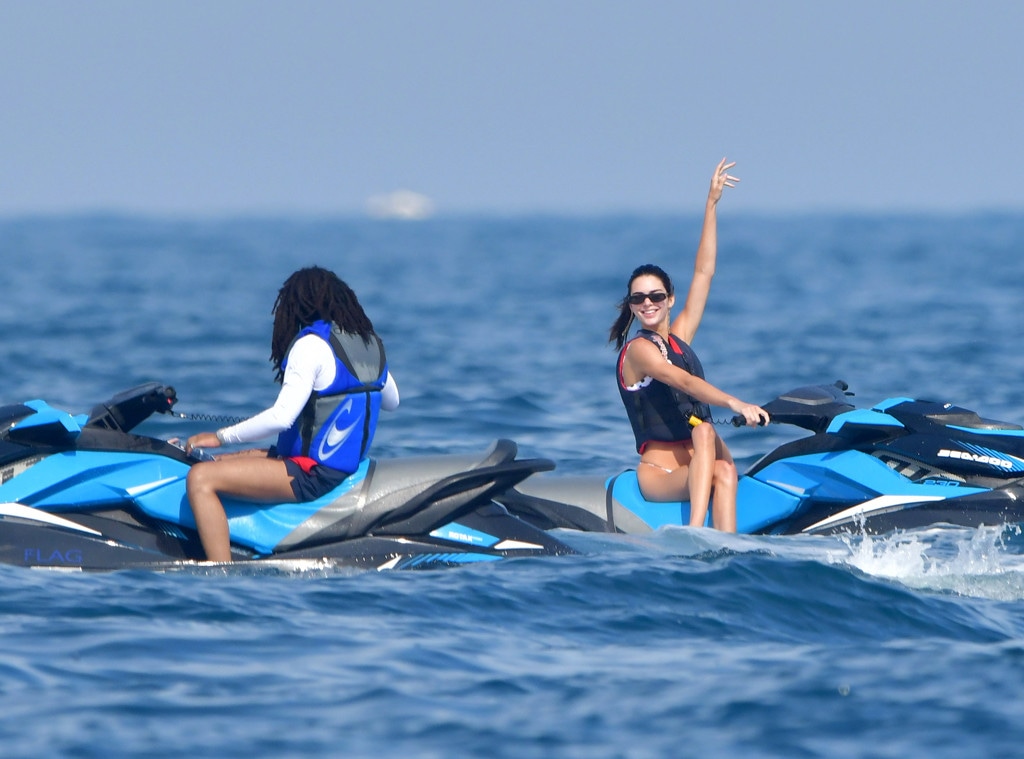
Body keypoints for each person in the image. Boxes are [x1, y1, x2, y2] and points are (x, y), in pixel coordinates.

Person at [182, 266, 399, 562]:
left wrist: (220, 437)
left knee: (200, 477)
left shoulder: (310, 346)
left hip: (312, 473)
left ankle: (220, 572)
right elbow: (392, 402)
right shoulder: (370, 345)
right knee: (217, 460)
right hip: (338, 466)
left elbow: (281, 418)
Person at [609, 159, 769, 532]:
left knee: (726, 469)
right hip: (660, 473)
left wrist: (711, 205)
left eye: (655, 295)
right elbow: (680, 381)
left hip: (698, 463)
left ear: (670, 300)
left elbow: (704, 272)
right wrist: (735, 403)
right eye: (638, 299)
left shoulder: (678, 339)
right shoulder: (638, 352)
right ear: (631, 306)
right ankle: (695, 531)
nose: (647, 303)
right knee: (704, 430)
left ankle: (727, 548)